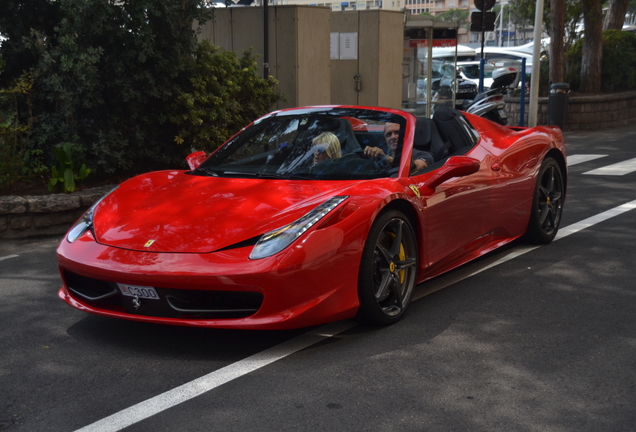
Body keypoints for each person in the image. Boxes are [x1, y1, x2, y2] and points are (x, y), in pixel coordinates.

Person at [363, 122, 433, 171]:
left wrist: (386, 159)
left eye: (397, 132)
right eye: (388, 134)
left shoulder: (423, 155)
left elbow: (416, 166)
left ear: (407, 134)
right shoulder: (382, 157)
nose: (392, 137)